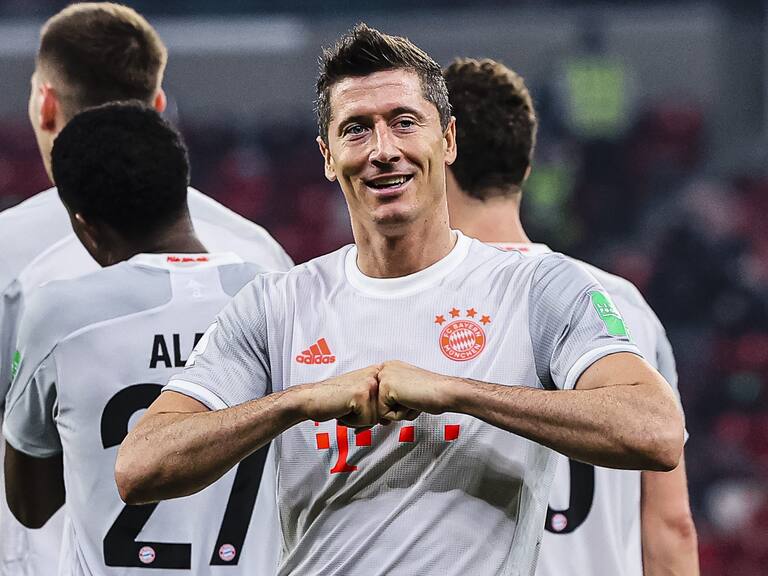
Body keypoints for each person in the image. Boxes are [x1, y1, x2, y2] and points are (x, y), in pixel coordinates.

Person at [116, 24, 684, 576]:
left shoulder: (538, 288)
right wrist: (297, 402)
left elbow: (655, 430)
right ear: (326, 154)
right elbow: (139, 466)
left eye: (405, 123)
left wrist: (456, 392)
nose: (383, 150)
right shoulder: (273, 305)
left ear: (449, 139)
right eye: (356, 130)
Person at [0, 4, 289, 575]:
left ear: (45, 102)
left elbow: (30, 494)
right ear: (161, 113)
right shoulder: (265, 262)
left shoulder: (22, 266)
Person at [443, 57, 699, 576]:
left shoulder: (415, 308)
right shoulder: (625, 304)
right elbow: (671, 527)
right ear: (527, 167)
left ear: (434, 158)